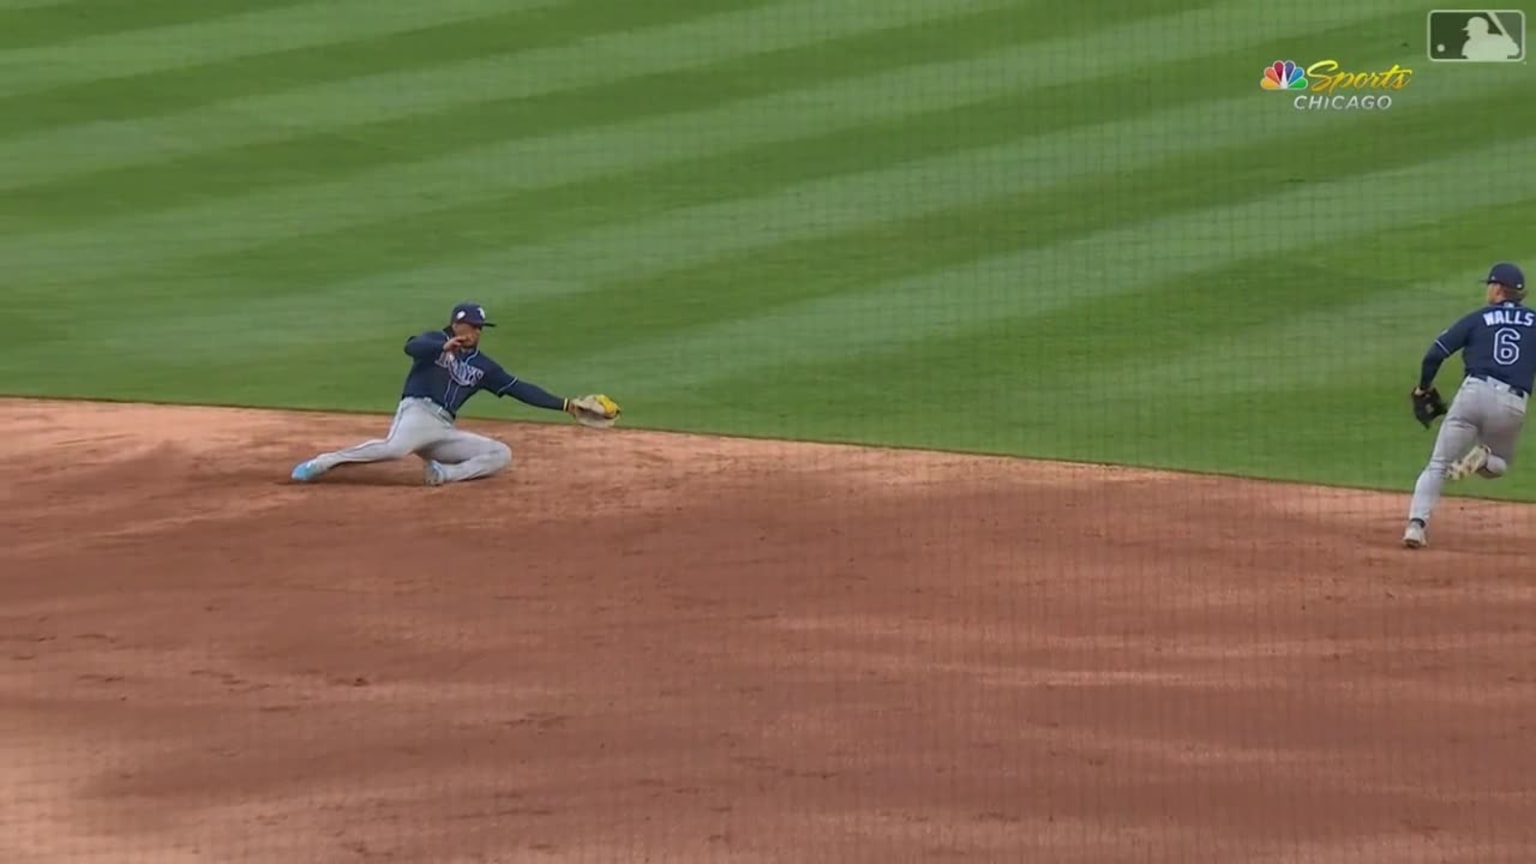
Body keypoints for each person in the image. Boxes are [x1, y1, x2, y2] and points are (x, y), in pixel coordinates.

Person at [290, 301, 611, 486]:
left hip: (442, 429)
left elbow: (518, 389)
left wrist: (566, 405)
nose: (474, 332)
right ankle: (325, 462)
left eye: (478, 327)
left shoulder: (484, 366)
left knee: (501, 454)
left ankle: (444, 473)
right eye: (469, 326)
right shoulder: (433, 341)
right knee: (395, 449)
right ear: (455, 325)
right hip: (417, 412)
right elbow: (410, 346)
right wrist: (441, 346)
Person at [1403, 263, 1530, 548]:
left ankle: (1416, 526)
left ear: (1497, 289)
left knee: (1437, 464)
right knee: (1499, 465)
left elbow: (1434, 355)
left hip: (1473, 394)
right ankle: (1484, 459)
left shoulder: (1478, 318)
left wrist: (1424, 387)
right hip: (1512, 403)